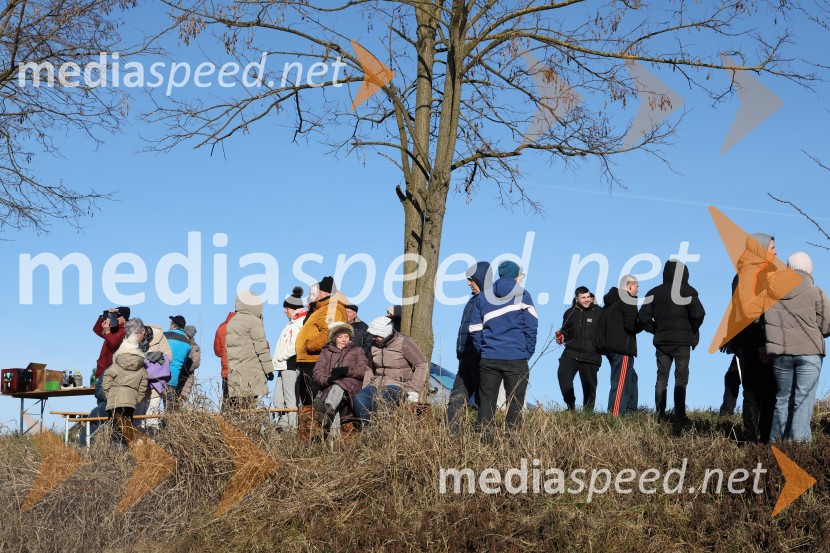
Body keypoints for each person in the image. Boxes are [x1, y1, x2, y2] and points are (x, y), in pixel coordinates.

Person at [765, 252, 830, 442]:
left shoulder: (772, 293)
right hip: (809, 352)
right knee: (803, 400)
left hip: (781, 354)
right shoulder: (816, 292)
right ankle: (798, 446)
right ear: (809, 269)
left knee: (783, 398)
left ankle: (776, 444)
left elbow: (765, 322)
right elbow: (827, 324)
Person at [470, 260, 538, 440]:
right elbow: (531, 327)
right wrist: (527, 352)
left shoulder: (483, 296)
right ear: (516, 276)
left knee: (487, 400)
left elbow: (475, 328)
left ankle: (485, 440)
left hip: (489, 357)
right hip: (516, 357)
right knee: (515, 400)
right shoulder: (523, 295)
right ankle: (511, 440)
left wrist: (484, 350)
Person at [637, 260, 706, 424]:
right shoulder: (687, 291)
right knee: (680, 379)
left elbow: (643, 317)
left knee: (661, 378)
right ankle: (679, 416)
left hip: (662, 342)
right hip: (682, 342)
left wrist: (655, 329)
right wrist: (690, 329)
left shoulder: (653, 292)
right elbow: (699, 314)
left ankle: (660, 415)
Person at [729, 233, 778, 443]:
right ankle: (754, 440)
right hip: (752, 343)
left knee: (766, 392)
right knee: (755, 392)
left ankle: (761, 440)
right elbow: (750, 314)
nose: (776, 252)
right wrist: (762, 345)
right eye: (772, 247)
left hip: (760, 341)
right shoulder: (749, 275)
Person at [353, 317, 429, 427]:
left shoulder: (404, 342)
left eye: (377, 335)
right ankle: (368, 429)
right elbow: (369, 368)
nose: (374, 338)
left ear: (385, 334)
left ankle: (382, 429)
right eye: (373, 335)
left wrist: (414, 390)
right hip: (376, 384)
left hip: (398, 385)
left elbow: (421, 364)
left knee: (382, 399)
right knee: (359, 398)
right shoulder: (374, 345)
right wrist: (365, 387)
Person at [447, 261, 490, 433]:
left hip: (479, 356)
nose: (468, 283)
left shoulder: (489, 301)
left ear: (481, 279)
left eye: (471, 280)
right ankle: (451, 435)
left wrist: (481, 352)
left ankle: (482, 435)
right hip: (465, 356)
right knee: (456, 397)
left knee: (482, 398)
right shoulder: (473, 300)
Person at [595, 276, 643, 417]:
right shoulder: (628, 300)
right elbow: (630, 326)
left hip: (610, 348)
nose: (637, 290)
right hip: (622, 349)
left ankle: (629, 412)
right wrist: (644, 323)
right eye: (636, 286)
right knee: (621, 383)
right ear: (629, 286)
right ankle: (615, 415)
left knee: (630, 378)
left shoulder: (610, 303)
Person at [295, 276, 347, 406]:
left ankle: (315, 420)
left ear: (324, 293)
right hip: (310, 361)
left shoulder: (330, 308)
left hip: (315, 361)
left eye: (317, 292)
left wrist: (308, 345)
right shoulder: (324, 308)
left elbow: (328, 334)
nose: (315, 295)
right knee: (308, 401)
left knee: (313, 401)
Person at [312, 323, 369, 430]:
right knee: (333, 401)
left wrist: (347, 371)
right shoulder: (326, 352)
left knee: (338, 385)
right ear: (334, 338)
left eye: (346, 336)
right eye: (340, 336)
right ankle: (334, 437)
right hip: (329, 386)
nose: (344, 339)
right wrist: (327, 379)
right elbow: (317, 372)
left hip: (352, 386)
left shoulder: (357, 351)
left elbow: (364, 371)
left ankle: (328, 407)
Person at [102, 318, 148, 447]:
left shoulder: (116, 365)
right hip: (130, 402)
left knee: (114, 429)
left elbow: (107, 378)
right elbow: (143, 385)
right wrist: (136, 399)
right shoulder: (141, 368)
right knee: (127, 429)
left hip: (114, 400)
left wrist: (108, 395)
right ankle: (125, 452)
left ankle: (115, 452)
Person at [556, 286, 603, 411]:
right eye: (583, 298)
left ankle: (588, 413)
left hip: (591, 356)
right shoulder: (569, 313)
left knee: (589, 386)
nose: (587, 300)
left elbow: (606, 332)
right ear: (577, 299)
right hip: (570, 353)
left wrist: (601, 347)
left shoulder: (599, 312)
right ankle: (570, 406)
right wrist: (561, 336)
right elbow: (565, 331)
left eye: (588, 297)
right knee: (563, 377)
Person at [226, 291, 274, 410]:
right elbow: (261, 348)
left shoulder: (232, 322)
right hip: (251, 372)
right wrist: (269, 370)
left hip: (235, 372)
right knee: (250, 407)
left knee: (237, 408)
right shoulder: (254, 322)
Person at [272, 286, 307, 430]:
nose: (284, 311)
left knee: (290, 400)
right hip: (283, 365)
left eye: (286, 308)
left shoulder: (300, 322)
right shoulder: (293, 323)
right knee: (278, 400)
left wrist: (280, 357)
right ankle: (283, 426)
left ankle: (292, 430)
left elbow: (295, 345)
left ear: (293, 308)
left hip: (291, 365)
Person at [134, 324, 171, 436]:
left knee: (152, 418)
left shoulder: (159, 337)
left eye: (137, 334)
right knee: (137, 420)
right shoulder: (130, 339)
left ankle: (152, 444)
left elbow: (169, 356)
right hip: (138, 385)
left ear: (143, 331)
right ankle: (139, 445)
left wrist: (154, 359)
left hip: (155, 385)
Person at [163, 315, 192, 409]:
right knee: (169, 408)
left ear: (172, 325)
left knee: (151, 406)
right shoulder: (187, 343)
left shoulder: (164, 336)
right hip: (173, 378)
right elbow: (184, 361)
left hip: (157, 375)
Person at [214, 311, 236, 406]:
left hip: (226, 370)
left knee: (227, 401)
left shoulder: (221, 327)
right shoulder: (246, 325)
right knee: (243, 403)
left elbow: (218, 352)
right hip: (242, 371)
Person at [177, 325, 201, 401]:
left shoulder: (194, 347)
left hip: (185, 380)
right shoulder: (182, 343)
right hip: (178, 377)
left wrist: (184, 369)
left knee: (178, 402)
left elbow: (196, 362)